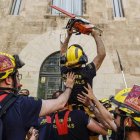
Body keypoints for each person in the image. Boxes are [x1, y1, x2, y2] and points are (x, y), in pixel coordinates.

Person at [0, 52, 75, 140]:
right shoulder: (21, 104)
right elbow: (60, 103)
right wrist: (69, 87)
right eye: (17, 76)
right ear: (8, 80)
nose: (20, 83)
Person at [60, 28, 106, 105]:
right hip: (86, 109)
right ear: (83, 58)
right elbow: (102, 54)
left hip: (68, 110)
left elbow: (62, 52)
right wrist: (96, 35)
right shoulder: (88, 71)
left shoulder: (64, 70)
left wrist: (68, 36)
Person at [41, 90, 107, 140]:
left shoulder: (48, 119)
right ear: (67, 101)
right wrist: (91, 106)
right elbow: (104, 131)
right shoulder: (79, 114)